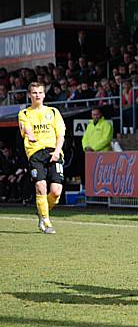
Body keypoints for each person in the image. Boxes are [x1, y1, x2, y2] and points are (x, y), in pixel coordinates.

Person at [18, 82, 65, 234]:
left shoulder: (53, 111)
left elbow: (61, 134)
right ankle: (46, 221)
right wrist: (30, 135)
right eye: (34, 92)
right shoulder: (24, 113)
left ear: (44, 95)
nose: (37, 95)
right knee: (40, 186)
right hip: (36, 153)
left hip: (53, 152)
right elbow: (26, 129)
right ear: (29, 95)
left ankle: (42, 211)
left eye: (40, 92)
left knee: (56, 192)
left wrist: (57, 151)